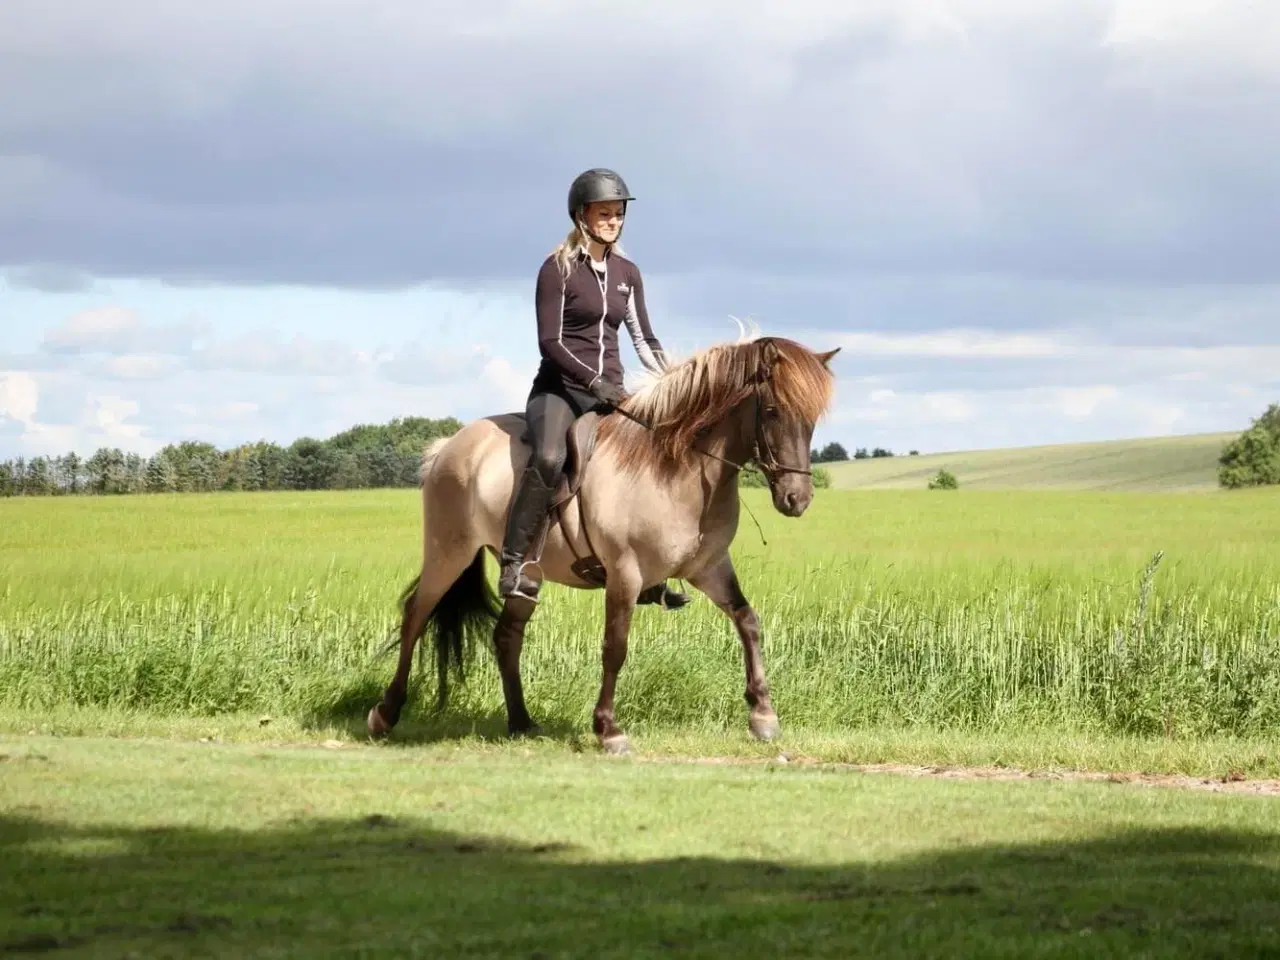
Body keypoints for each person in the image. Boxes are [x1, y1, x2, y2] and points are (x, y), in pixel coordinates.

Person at [498, 167, 690, 610]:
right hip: (560, 391)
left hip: (612, 394)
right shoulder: (558, 269)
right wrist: (592, 381)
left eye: (618, 214)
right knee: (549, 458)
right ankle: (514, 561)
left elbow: (643, 337)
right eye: (604, 213)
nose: (613, 221)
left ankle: (648, 573)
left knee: (654, 457)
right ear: (581, 216)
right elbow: (550, 341)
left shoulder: (627, 272)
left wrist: (676, 382)